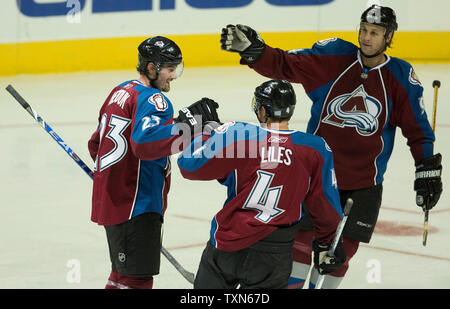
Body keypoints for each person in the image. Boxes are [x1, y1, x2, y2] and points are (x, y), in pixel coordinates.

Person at [220, 5, 443, 289]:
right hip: (317, 176)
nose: (366, 38)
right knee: (298, 245)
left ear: (389, 37)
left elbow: (418, 131)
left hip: (362, 184)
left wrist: (427, 169)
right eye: (363, 30)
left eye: (374, 33)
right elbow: (287, 64)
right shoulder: (335, 57)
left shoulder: (399, 77)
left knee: (338, 256)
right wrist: (256, 52)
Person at [177, 79, 346, 289]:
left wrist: (202, 134)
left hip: (228, 246)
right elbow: (325, 204)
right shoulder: (315, 148)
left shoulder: (238, 135)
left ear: (264, 111)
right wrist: (327, 241)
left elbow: (189, 166)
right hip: (275, 254)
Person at [88, 36, 220, 289]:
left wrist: (110, 179)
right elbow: (144, 144)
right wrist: (188, 127)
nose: (174, 75)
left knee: (121, 276)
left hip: (114, 199)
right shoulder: (154, 100)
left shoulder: (120, 91)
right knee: (137, 280)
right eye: (170, 69)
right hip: (138, 204)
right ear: (151, 67)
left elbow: (96, 144)